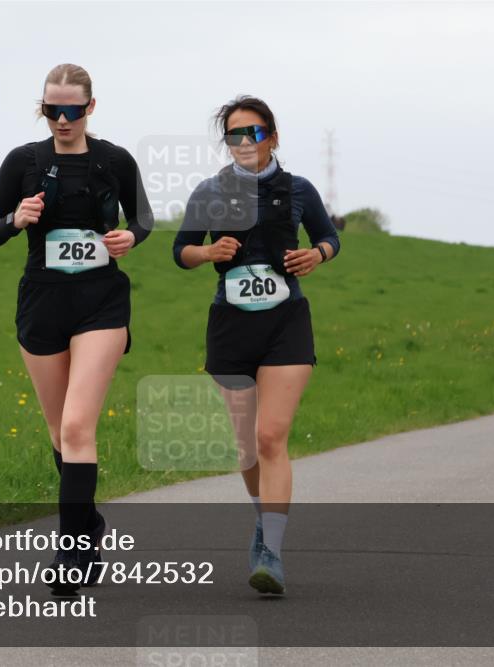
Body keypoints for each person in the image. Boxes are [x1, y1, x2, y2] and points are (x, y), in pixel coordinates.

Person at [0, 63, 153, 595]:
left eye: (72, 110)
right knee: (59, 434)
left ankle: (72, 555)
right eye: (52, 109)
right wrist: (16, 220)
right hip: (42, 302)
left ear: (90, 109)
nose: (61, 118)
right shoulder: (24, 162)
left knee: (79, 427)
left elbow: (142, 218)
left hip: (100, 302)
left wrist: (130, 239)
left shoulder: (114, 160)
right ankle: (90, 525)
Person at [172, 95, 339, 595]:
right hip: (231, 326)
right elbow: (180, 249)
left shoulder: (299, 189)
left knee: (271, 438)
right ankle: (264, 523)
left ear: (273, 136)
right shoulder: (210, 191)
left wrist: (318, 255)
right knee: (247, 447)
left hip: (287, 323)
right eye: (235, 135)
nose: (245, 142)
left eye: (255, 132)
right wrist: (208, 252)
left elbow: (329, 237)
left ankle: (273, 553)